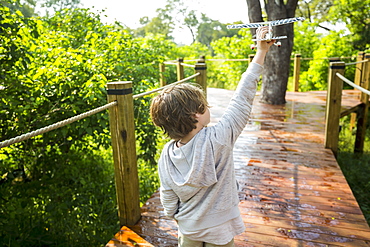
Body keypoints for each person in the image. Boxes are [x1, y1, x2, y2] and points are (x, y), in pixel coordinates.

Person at [150, 26, 275, 247]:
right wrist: (261, 52)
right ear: (195, 114)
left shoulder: (166, 156)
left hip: (189, 226)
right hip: (220, 227)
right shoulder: (219, 138)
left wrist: (175, 216)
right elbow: (242, 98)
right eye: (204, 105)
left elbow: (167, 196)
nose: (209, 107)